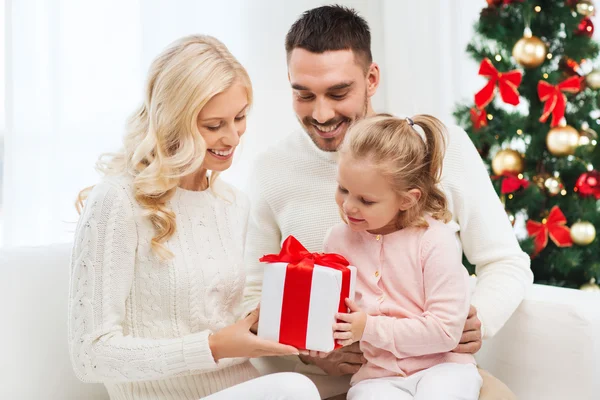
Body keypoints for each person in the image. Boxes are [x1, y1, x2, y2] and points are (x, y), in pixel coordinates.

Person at [242, 5, 532, 399]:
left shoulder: (441, 148)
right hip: (339, 385)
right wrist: (308, 356)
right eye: (304, 94)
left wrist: (476, 321)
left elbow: (506, 261)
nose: (321, 112)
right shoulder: (270, 170)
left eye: (338, 92)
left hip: (439, 368)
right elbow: (254, 295)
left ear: (371, 78)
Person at [68, 34, 320, 400]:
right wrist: (214, 346)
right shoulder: (118, 200)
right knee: (295, 390)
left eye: (240, 117)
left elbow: (216, 320)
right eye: (214, 125)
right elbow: (89, 356)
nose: (232, 137)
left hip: (239, 386)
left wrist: (272, 322)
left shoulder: (233, 203)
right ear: (173, 122)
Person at [323, 114, 482, 399]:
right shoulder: (337, 241)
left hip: (444, 367)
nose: (348, 206)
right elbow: (330, 317)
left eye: (366, 200)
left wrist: (369, 328)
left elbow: (446, 331)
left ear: (407, 199)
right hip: (376, 378)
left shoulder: (435, 240)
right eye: (343, 189)